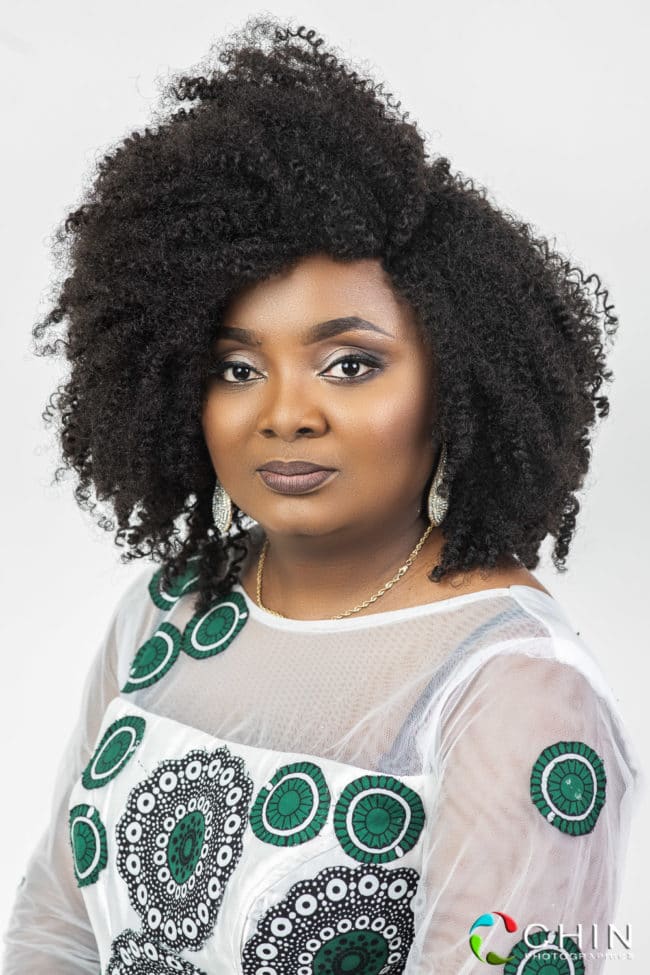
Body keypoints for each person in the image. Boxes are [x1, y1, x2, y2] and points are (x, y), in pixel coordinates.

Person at [2, 15, 642, 975]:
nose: (286, 414)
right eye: (236, 368)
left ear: (456, 383)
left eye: (350, 363)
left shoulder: (515, 690)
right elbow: (54, 927)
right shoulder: (166, 613)